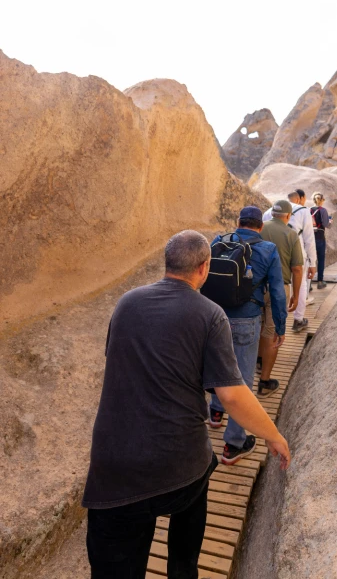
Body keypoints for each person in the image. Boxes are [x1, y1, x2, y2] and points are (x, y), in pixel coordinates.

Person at [82, 230, 290, 579]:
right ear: (204, 268)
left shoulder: (127, 303)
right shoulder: (210, 315)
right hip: (181, 465)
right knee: (184, 555)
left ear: (168, 263)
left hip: (116, 467)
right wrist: (273, 435)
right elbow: (231, 395)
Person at [208, 206, 289, 464]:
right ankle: (233, 445)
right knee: (242, 380)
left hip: (214, 317)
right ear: (260, 226)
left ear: (238, 221)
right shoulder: (267, 249)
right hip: (246, 320)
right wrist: (280, 325)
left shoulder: (219, 242)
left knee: (216, 365)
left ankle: (216, 413)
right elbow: (277, 292)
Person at [260, 200, 303, 395]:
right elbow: (297, 268)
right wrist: (296, 293)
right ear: (287, 216)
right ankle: (264, 382)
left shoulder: (259, 229)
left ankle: (258, 362)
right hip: (279, 289)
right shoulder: (291, 234)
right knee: (273, 333)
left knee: (258, 328)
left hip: (254, 288)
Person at [288, 190, 317, 333]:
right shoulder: (303, 211)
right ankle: (298, 320)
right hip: (298, 253)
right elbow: (309, 239)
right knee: (300, 284)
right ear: (299, 199)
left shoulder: (270, 211)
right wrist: (313, 263)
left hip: (276, 253)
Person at [310, 192, 331, 289]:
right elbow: (326, 224)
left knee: (309, 260)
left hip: (310, 238)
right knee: (321, 260)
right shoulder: (323, 211)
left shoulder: (308, 210)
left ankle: (308, 284)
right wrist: (330, 222)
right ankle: (320, 282)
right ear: (322, 200)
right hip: (320, 237)